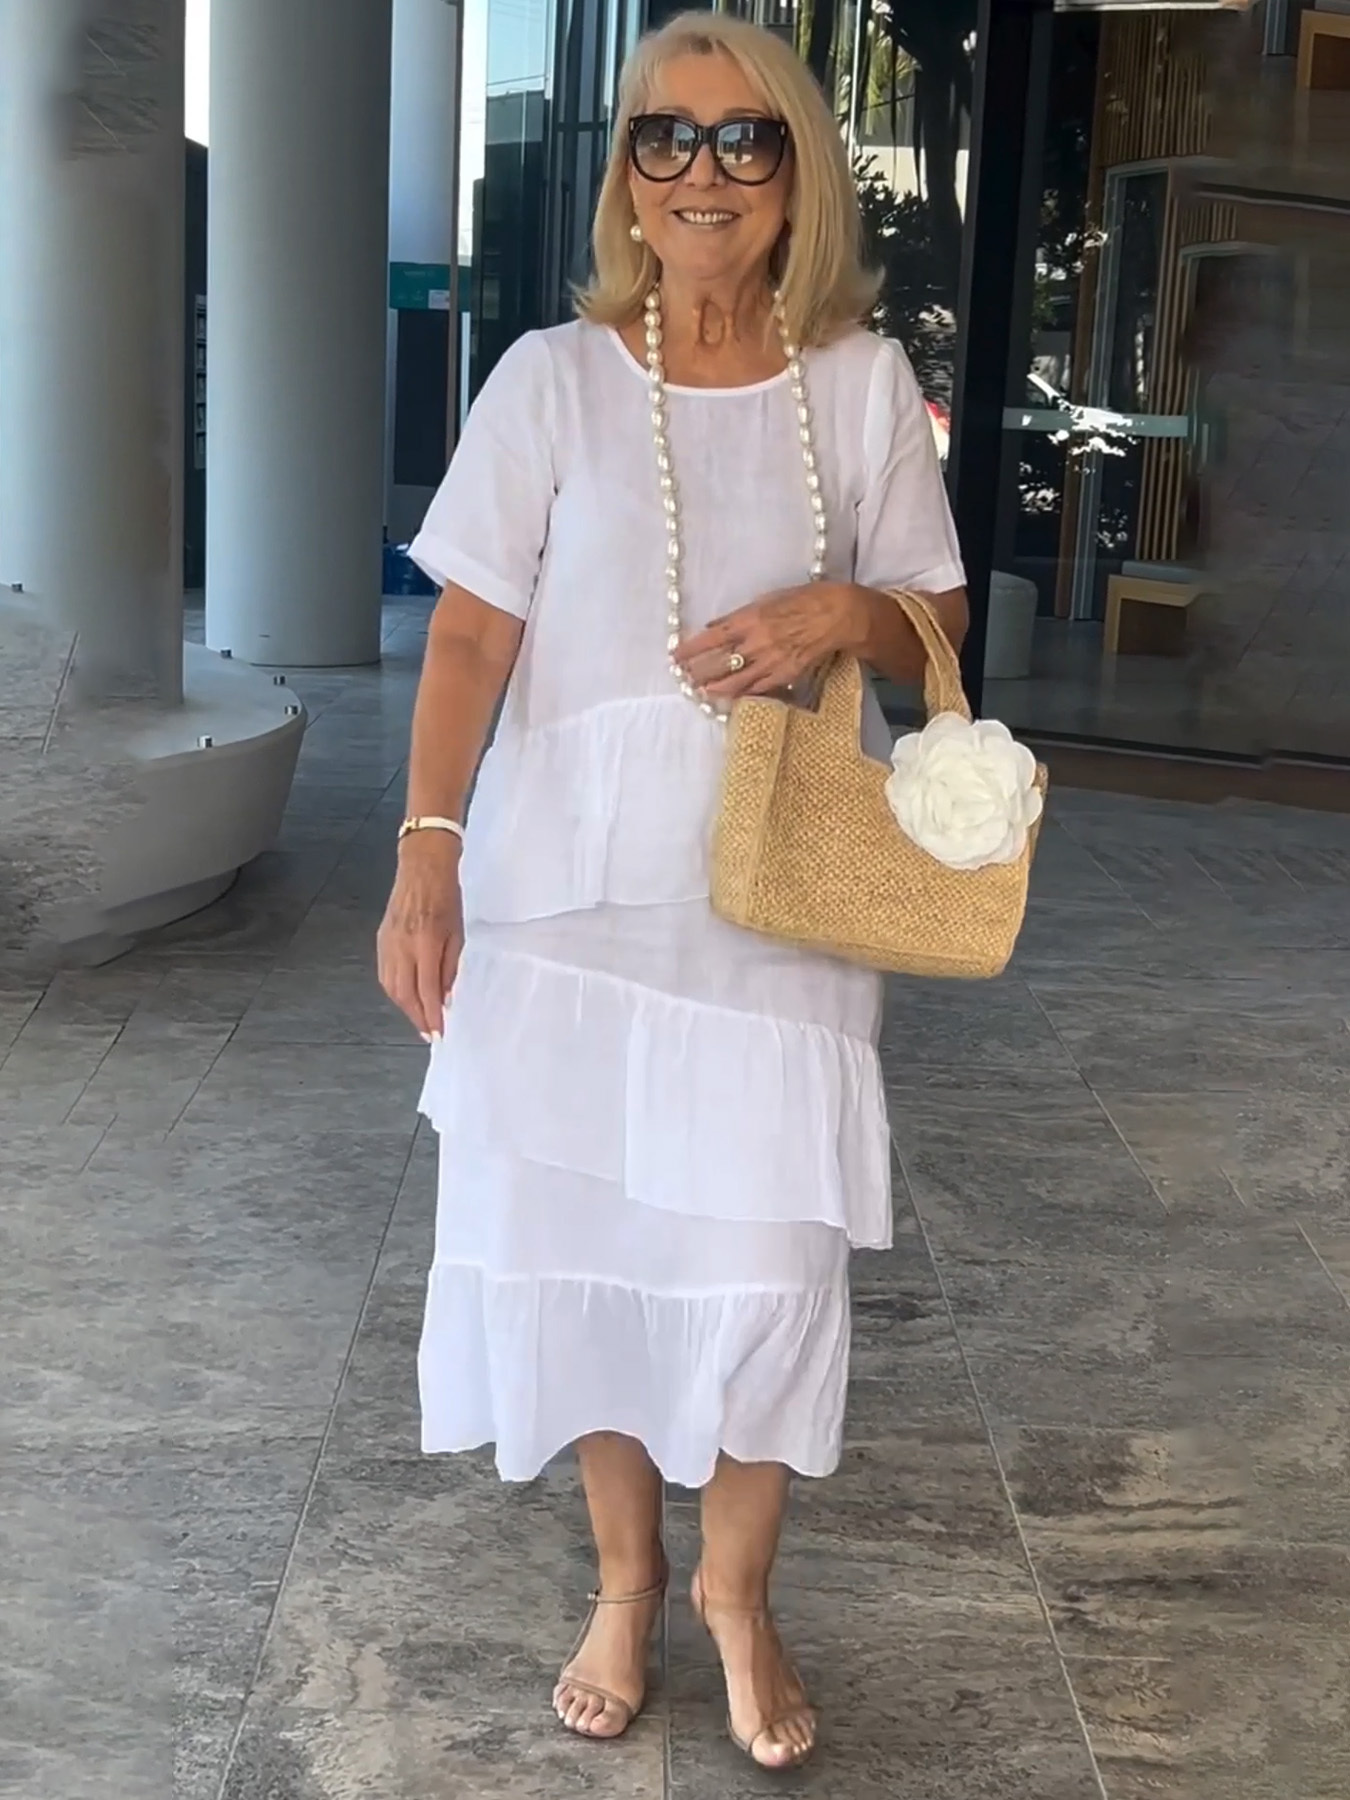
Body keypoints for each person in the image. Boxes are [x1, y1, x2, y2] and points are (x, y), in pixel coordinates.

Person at [377, 10, 967, 1770]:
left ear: (796, 176)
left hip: (776, 896)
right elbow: (468, 633)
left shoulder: (858, 383)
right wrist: (426, 852)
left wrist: (840, 613)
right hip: (563, 897)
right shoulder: (551, 377)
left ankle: (737, 1593)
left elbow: (936, 620)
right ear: (626, 172)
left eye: (742, 139)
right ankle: (626, 1586)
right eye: (664, 135)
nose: (700, 172)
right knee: (590, 1247)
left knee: (766, 1254)